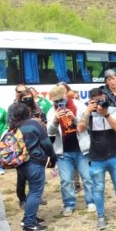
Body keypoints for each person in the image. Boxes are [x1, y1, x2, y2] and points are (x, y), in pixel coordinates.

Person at [77, 88, 116, 230]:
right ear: (90, 100)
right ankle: (101, 216)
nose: (99, 103)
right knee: (98, 188)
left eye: (101, 99)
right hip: (96, 157)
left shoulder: (113, 110)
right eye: (95, 100)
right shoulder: (86, 112)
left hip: (113, 154)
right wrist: (87, 112)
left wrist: (106, 114)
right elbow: (80, 128)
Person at [47, 86, 96, 216]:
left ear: (65, 95)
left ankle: (91, 201)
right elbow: (50, 132)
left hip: (81, 149)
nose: (59, 104)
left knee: (87, 177)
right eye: (56, 102)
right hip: (63, 151)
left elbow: (85, 125)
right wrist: (55, 120)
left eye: (60, 100)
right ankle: (69, 204)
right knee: (66, 181)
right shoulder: (51, 111)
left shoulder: (78, 105)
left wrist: (73, 118)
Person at [10, 103, 57, 231]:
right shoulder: (34, 124)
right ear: (28, 112)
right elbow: (46, 143)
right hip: (34, 161)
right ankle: (29, 224)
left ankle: (28, 217)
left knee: (31, 191)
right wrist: (53, 157)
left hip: (19, 163)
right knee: (35, 191)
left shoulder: (13, 127)